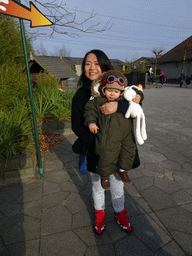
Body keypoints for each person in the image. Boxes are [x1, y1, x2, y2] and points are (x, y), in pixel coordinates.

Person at [71, 49, 143, 237]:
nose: (92, 68)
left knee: (118, 184)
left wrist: (118, 105)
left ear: (105, 66)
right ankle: (100, 215)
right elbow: (76, 126)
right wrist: (99, 142)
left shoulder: (120, 90)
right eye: (87, 64)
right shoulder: (81, 95)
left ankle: (120, 214)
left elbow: (137, 105)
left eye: (96, 63)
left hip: (119, 149)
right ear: (83, 68)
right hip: (95, 149)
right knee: (97, 185)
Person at [84, 70, 137, 190]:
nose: (112, 94)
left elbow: (138, 97)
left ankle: (123, 170)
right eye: (109, 90)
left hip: (126, 135)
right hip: (108, 136)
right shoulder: (98, 101)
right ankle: (105, 175)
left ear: (121, 92)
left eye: (116, 91)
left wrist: (139, 95)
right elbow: (89, 110)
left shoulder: (125, 101)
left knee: (128, 151)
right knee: (106, 155)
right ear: (103, 90)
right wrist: (91, 122)